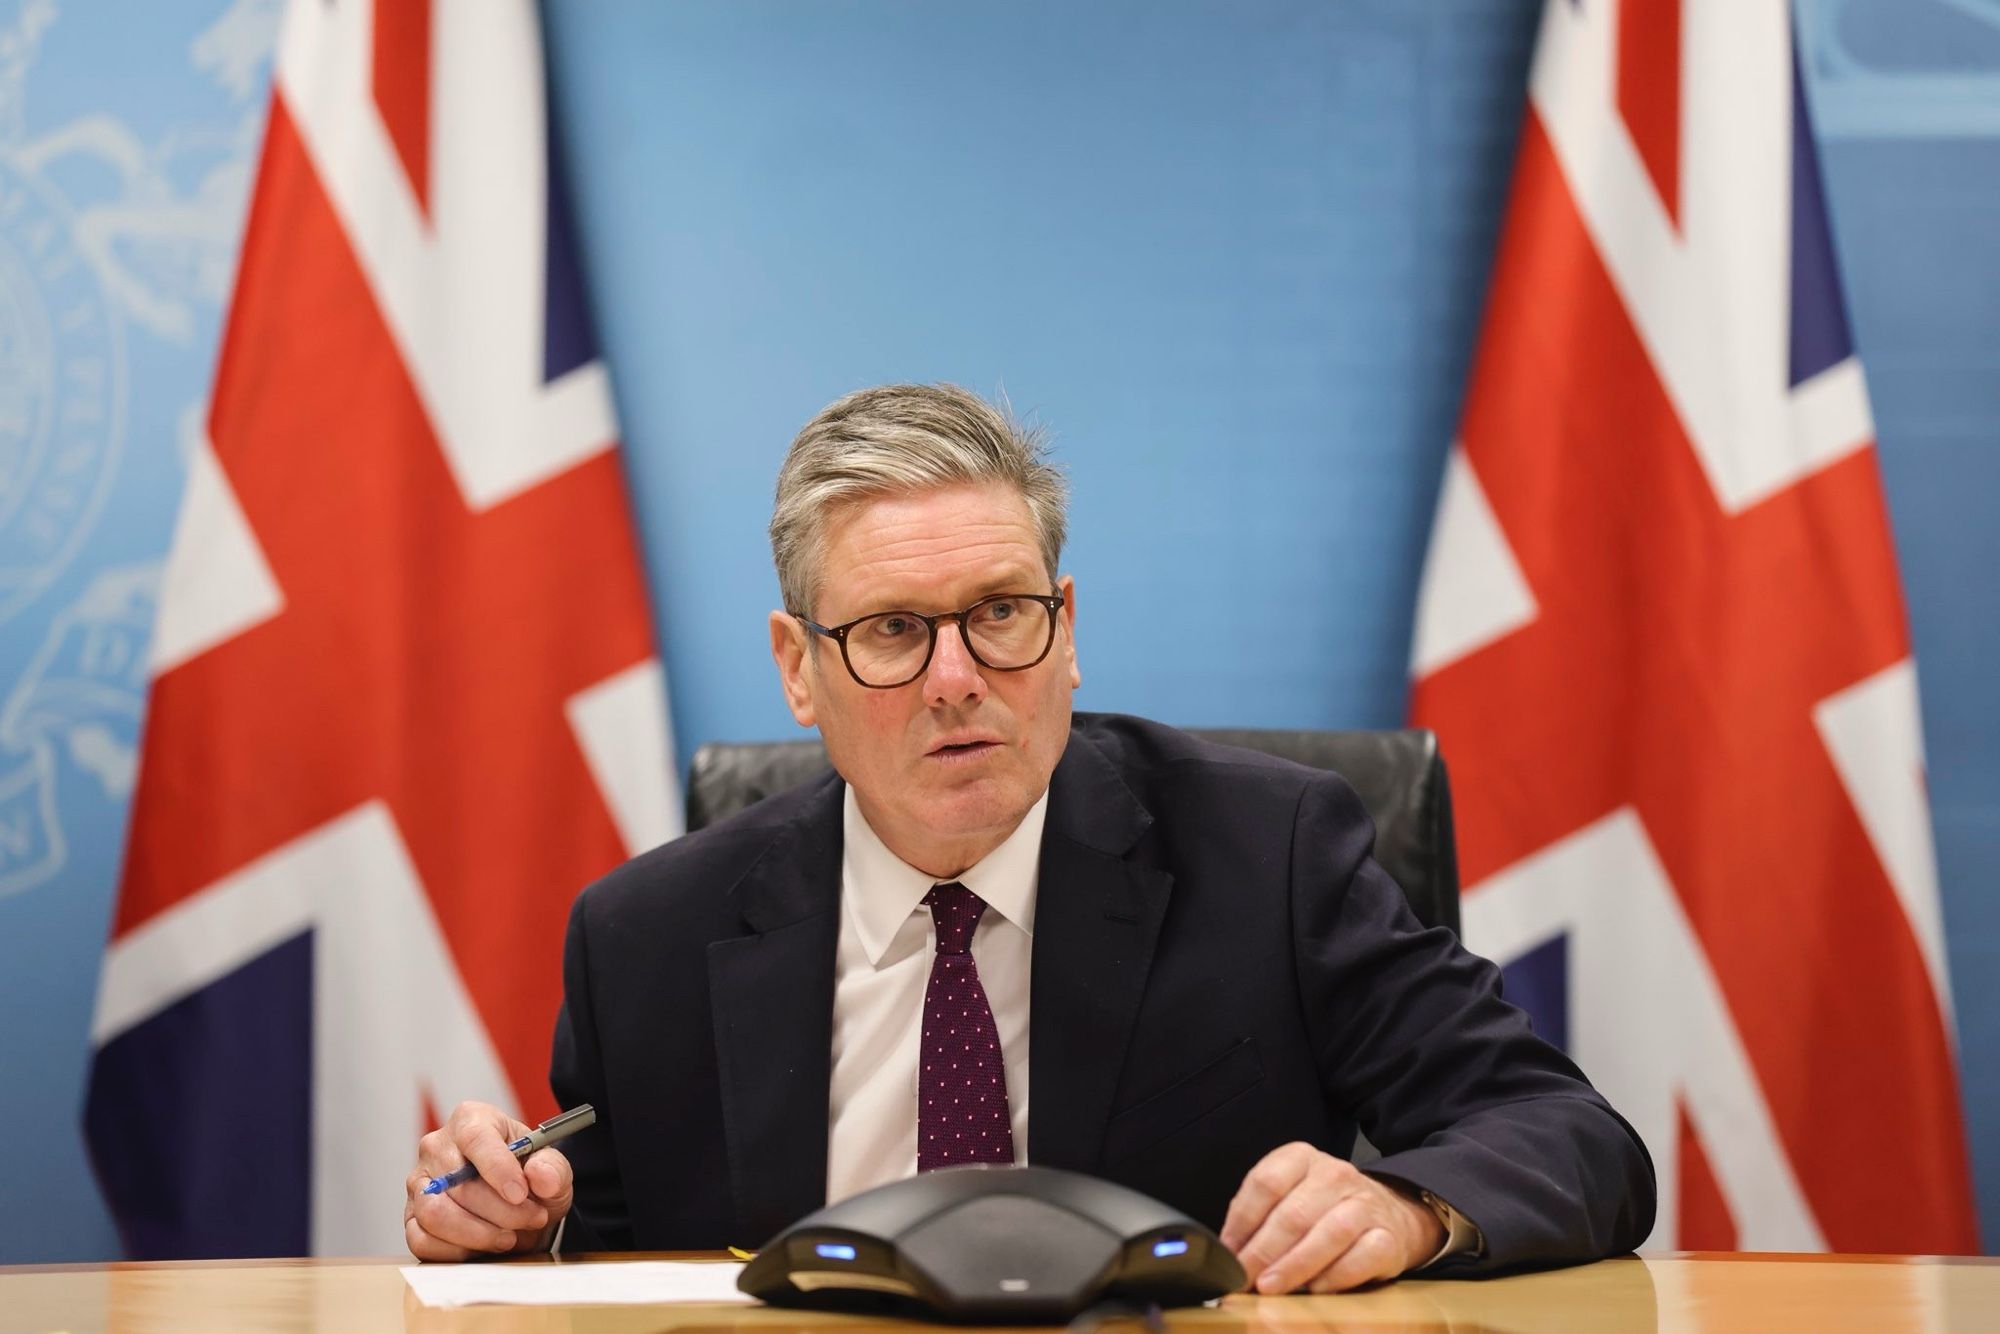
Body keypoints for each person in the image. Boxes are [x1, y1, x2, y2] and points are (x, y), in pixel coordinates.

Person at [404, 384, 1655, 1291]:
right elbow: (615, 1266)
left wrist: (1405, 1205)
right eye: (892, 629)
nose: (957, 677)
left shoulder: (1265, 851)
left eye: (999, 612)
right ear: (798, 668)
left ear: (1064, 628)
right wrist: (516, 1234)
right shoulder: (645, 937)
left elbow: (1569, 1137)